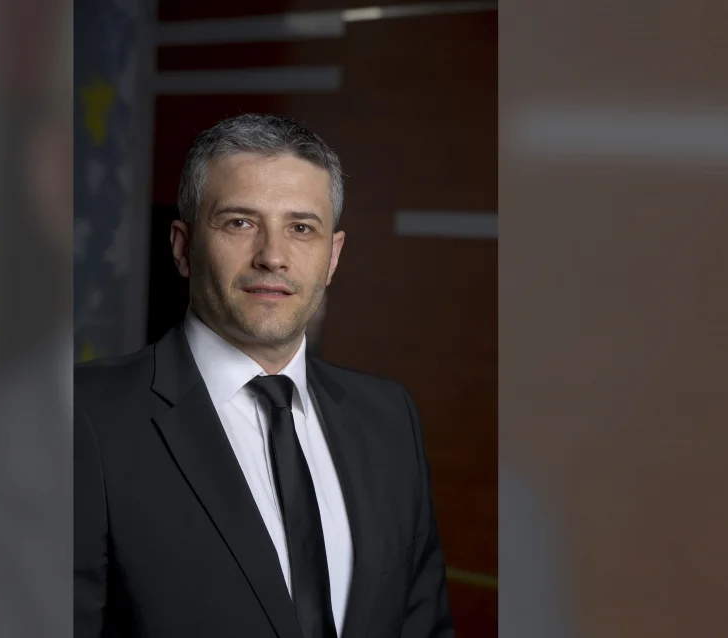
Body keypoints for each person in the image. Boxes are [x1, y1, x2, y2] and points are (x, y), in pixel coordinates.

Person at [74, 114, 454, 638]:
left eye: (301, 228)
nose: (273, 257)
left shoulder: (389, 418)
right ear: (183, 247)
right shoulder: (82, 418)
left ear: (332, 257)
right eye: (240, 223)